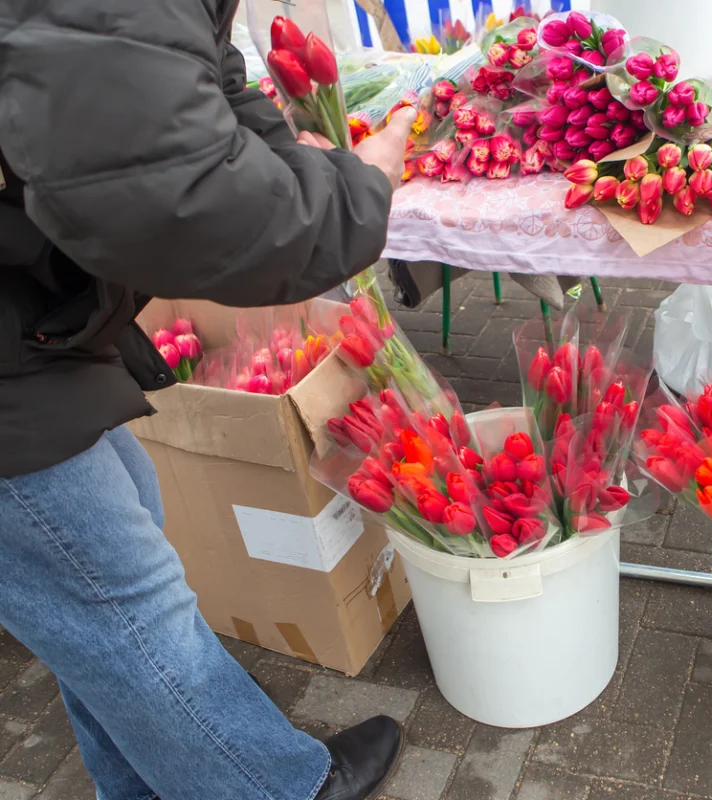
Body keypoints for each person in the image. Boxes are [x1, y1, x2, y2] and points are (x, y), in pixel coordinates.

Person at [0, 2, 418, 798]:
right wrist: (354, 194)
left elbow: (204, 79)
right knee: (124, 608)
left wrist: (291, 155)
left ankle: (139, 786)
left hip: (37, 318)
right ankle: (285, 788)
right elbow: (175, 200)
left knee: (98, 591)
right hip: (18, 340)